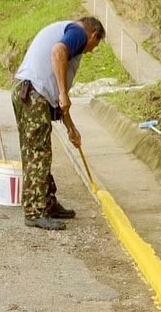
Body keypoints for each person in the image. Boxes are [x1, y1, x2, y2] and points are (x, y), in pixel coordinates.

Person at [11, 16, 105, 230]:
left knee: (35, 151)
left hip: (26, 92)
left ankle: (47, 203)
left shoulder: (67, 33)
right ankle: (35, 211)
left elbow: (59, 102)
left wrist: (71, 128)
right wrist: (63, 93)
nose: (90, 51)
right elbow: (58, 52)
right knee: (39, 152)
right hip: (33, 94)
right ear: (93, 35)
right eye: (95, 45)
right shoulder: (78, 33)